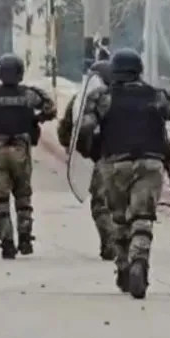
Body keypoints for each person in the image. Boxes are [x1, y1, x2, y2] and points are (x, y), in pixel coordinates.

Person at [78, 47, 170, 298]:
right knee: (143, 215)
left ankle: (124, 264)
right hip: (151, 162)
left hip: (115, 164)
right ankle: (140, 258)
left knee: (120, 218)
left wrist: (90, 151)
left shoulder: (102, 97)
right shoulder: (158, 96)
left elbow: (85, 129)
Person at [0, 54, 56, 259]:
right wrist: (36, 119)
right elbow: (50, 107)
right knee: (23, 195)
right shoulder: (29, 95)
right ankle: (26, 238)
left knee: (0, 198)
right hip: (21, 149)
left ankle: (7, 242)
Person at [56, 59, 115, 260]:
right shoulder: (132, 98)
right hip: (135, 159)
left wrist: (85, 151)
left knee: (101, 204)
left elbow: (69, 130)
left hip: (104, 160)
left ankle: (110, 242)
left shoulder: (85, 100)